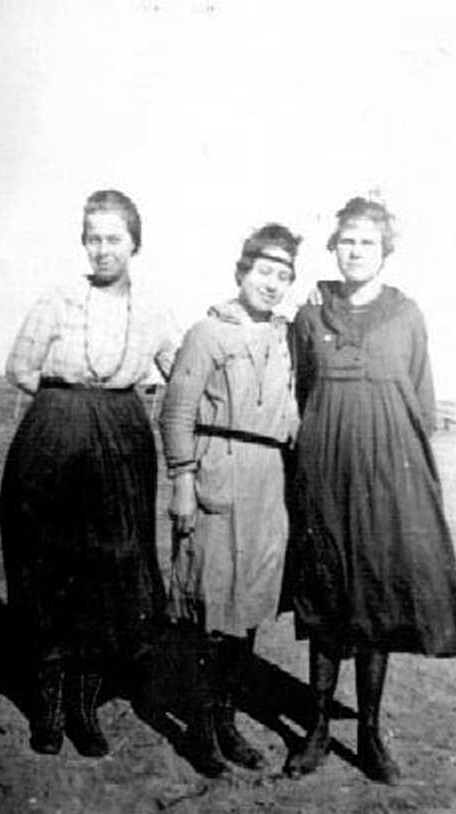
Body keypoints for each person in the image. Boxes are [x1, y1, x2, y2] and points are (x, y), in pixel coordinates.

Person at [281, 196, 456, 784]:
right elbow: (300, 391)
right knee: (325, 594)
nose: (356, 251)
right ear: (333, 248)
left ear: (385, 251)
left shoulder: (407, 315)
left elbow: (422, 403)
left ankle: (369, 735)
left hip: (386, 480)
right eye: (347, 241)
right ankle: (315, 731)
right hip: (323, 474)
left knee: (377, 599)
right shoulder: (310, 315)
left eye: (367, 242)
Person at [0, 189, 179, 756]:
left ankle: (85, 706)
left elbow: (183, 370)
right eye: (93, 238)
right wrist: (67, 407)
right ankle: (49, 706)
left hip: (122, 440)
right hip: (55, 434)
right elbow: (19, 367)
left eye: (114, 239)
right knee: (48, 563)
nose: (102, 250)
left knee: (111, 569)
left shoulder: (153, 311)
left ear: (135, 244)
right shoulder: (56, 300)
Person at [159, 224, 301, 775]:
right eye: (263, 271)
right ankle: (198, 729)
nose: (272, 283)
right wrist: (182, 481)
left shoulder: (284, 339)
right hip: (218, 470)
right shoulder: (208, 333)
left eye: (283, 275)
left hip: (268, 481)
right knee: (210, 605)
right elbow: (177, 411)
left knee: (249, 607)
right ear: (241, 272)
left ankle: (225, 721)